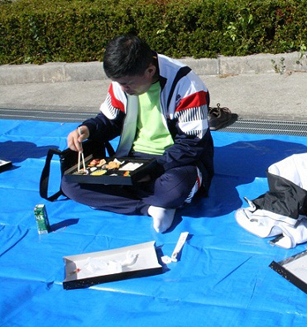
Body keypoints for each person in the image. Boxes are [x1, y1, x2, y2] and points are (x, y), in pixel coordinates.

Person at [62, 34, 214, 233]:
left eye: (127, 84)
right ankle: (151, 207)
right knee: (70, 184)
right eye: (118, 83)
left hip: (172, 163)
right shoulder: (122, 82)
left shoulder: (186, 85)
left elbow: (192, 145)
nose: (123, 88)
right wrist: (86, 129)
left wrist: (152, 170)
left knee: (174, 188)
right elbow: (109, 120)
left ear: (150, 71)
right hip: (130, 160)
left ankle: (126, 198)